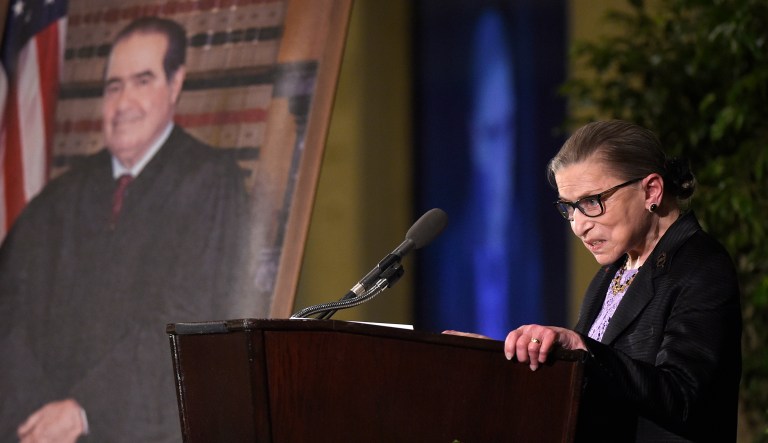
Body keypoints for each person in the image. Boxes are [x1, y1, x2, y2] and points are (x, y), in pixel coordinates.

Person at [0, 17, 249, 442]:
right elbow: (9, 309)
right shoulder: (62, 195)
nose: (123, 102)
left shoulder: (211, 184)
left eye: (142, 81)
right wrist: (34, 415)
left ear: (175, 84)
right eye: (113, 86)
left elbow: (186, 321)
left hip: (139, 428)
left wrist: (84, 410)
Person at [446, 120, 741, 441]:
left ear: (651, 190)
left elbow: (683, 397)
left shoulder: (701, 266)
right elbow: (583, 388)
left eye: (591, 202)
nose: (578, 225)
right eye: (569, 208)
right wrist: (496, 358)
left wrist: (583, 348)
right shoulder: (613, 272)